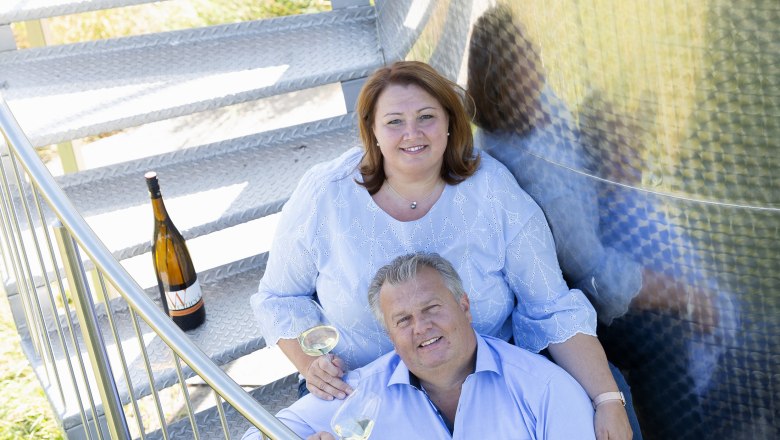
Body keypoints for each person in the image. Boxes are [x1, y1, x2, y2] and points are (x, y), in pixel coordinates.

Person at [251, 60, 632, 439]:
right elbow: (279, 298)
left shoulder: (492, 190)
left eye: (426, 116)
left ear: (450, 123)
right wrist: (311, 363)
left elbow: (551, 308)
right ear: (372, 130)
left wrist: (608, 401)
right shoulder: (325, 194)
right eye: (395, 121)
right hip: (363, 398)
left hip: (488, 390)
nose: (412, 133)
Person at [466, 5, 737, 439]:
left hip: (591, 242)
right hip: (559, 298)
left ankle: (717, 378)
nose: (535, 67)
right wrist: (688, 299)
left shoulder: (538, 104)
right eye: (519, 65)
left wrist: (612, 153)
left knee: (675, 254)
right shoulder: (534, 169)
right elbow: (597, 280)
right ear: (496, 82)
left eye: (531, 52)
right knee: (660, 339)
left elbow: (582, 165)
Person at [244, 252, 597, 439]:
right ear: (391, 337)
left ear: (464, 306)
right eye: (403, 320)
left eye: (432, 309)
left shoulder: (546, 389)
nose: (422, 327)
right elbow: (256, 433)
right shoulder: (359, 394)